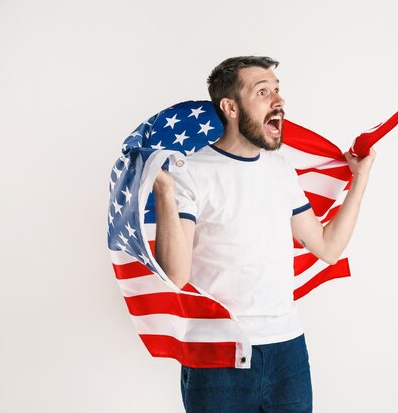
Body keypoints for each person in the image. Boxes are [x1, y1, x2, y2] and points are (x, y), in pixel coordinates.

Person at [152, 56, 376, 413]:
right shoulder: (189, 171)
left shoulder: (280, 168)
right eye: (262, 91)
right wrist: (163, 190)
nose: (278, 101)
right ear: (230, 107)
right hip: (219, 354)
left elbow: (328, 247)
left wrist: (360, 178)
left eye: (277, 91)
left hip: (287, 351)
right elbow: (176, 273)